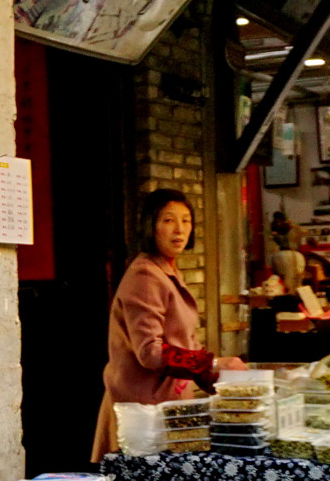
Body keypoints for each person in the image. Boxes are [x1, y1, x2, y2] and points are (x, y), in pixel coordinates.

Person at [94, 188, 242, 457]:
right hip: (143, 414)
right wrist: (214, 364)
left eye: (186, 220)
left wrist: (220, 381)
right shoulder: (145, 275)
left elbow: (185, 341)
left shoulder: (168, 269)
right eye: (168, 220)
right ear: (150, 225)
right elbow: (150, 352)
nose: (179, 229)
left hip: (169, 406)